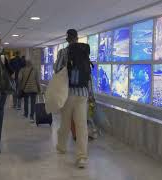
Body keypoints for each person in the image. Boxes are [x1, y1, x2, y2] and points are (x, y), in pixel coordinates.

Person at [54, 29, 93, 168]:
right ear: (77, 38)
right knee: (81, 126)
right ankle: (82, 157)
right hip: (83, 93)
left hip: (68, 94)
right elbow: (88, 74)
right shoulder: (84, 51)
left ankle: (61, 147)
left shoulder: (64, 52)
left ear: (67, 39)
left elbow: (57, 69)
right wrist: (91, 94)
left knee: (65, 123)